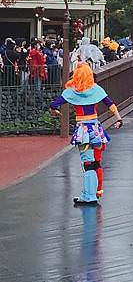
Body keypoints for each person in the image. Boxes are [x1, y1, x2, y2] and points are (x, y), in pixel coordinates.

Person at [49, 62, 123, 204]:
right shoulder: (96, 89)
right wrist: (119, 119)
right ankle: (94, 192)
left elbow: (54, 104)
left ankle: (88, 195)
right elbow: (111, 104)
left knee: (87, 162)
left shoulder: (72, 91)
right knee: (95, 162)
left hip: (83, 129)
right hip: (95, 129)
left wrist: (55, 111)